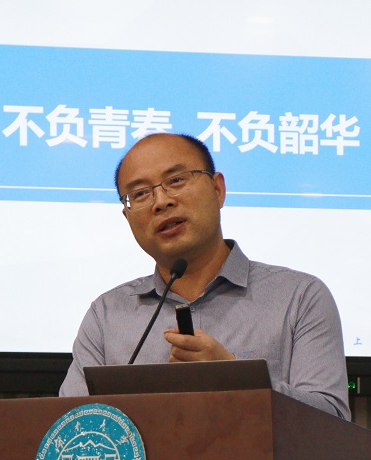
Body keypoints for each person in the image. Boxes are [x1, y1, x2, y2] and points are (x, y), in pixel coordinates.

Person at [59, 132, 351, 420]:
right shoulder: (107, 316)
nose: (160, 202)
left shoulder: (299, 297)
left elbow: (332, 423)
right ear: (127, 217)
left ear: (218, 189)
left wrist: (235, 378)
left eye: (176, 180)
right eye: (140, 194)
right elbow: (67, 428)